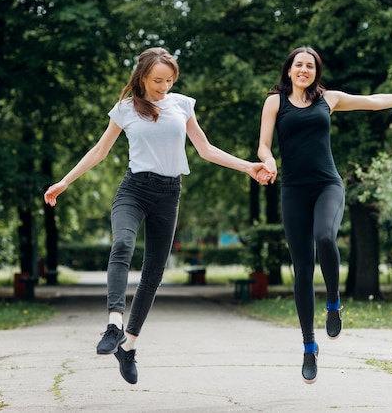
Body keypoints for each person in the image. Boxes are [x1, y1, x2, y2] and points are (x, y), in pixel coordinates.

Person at [44, 47, 271, 385]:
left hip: (169, 193)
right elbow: (100, 150)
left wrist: (248, 167)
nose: (164, 87)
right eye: (157, 81)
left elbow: (205, 150)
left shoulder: (182, 105)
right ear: (141, 78)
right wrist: (64, 181)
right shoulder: (125, 109)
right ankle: (113, 325)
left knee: (154, 271)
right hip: (134, 190)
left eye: (169, 80)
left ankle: (129, 347)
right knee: (122, 244)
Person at [257, 46, 392, 384]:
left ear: (316, 72)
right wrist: (267, 161)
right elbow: (263, 145)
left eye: (310, 66)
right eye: (298, 65)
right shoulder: (275, 102)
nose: (303, 70)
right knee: (301, 269)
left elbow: (371, 101)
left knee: (325, 236)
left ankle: (334, 301)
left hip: (328, 185)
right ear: (289, 70)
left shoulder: (330, 99)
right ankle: (309, 346)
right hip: (293, 191)